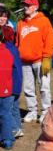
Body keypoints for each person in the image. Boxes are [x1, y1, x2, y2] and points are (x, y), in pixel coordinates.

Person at [16, 0, 53, 124]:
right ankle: (32, 111)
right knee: (28, 88)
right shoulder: (21, 23)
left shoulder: (44, 21)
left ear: (35, 7)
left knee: (44, 87)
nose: (25, 7)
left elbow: (49, 40)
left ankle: (46, 112)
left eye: (28, 5)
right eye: (24, 5)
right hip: (24, 61)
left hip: (40, 60)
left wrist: (47, 58)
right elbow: (17, 43)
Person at [0, 7, 23, 138]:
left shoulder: (8, 32)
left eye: (4, 16)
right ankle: (16, 128)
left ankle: (15, 128)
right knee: (11, 103)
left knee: (12, 101)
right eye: (0, 16)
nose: (2, 18)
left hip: (10, 65)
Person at [0, 27, 17, 149]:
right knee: (5, 113)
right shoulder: (8, 52)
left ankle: (7, 138)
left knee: (4, 114)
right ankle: (8, 139)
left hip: (4, 88)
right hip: (7, 89)